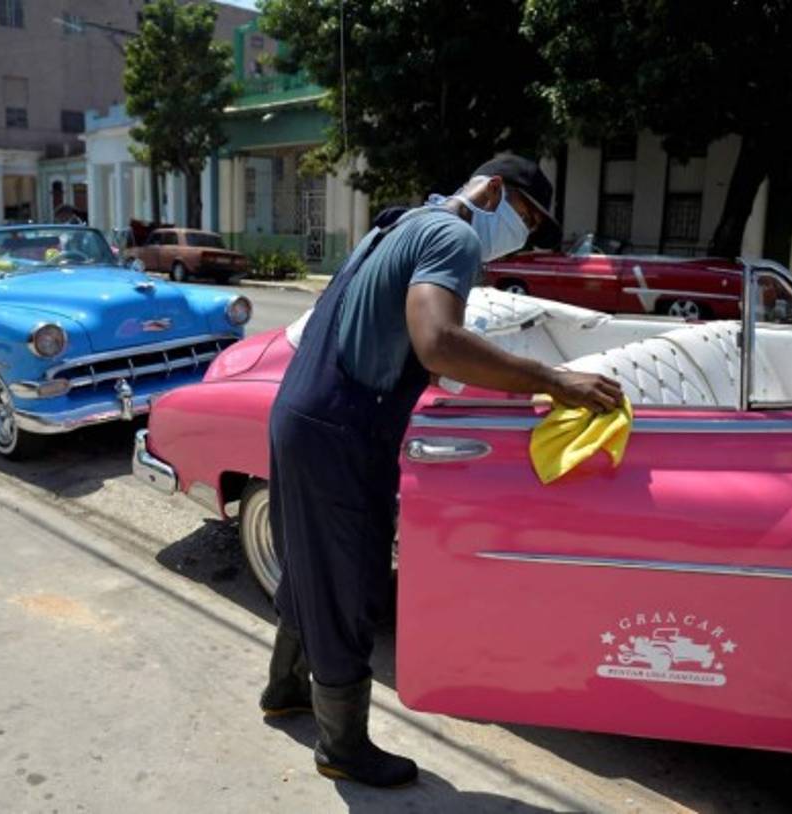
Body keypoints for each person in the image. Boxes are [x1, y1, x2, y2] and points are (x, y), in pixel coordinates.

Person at [259, 155, 622, 788]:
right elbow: (439, 341)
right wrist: (554, 380)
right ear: (495, 190)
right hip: (343, 429)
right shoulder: (453, 235)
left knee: (308, 563)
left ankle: (284, 689)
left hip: (299, 411)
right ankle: (342, 747)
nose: (525, 233)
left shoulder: (398, 224)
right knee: (350, 584)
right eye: (527, 215)